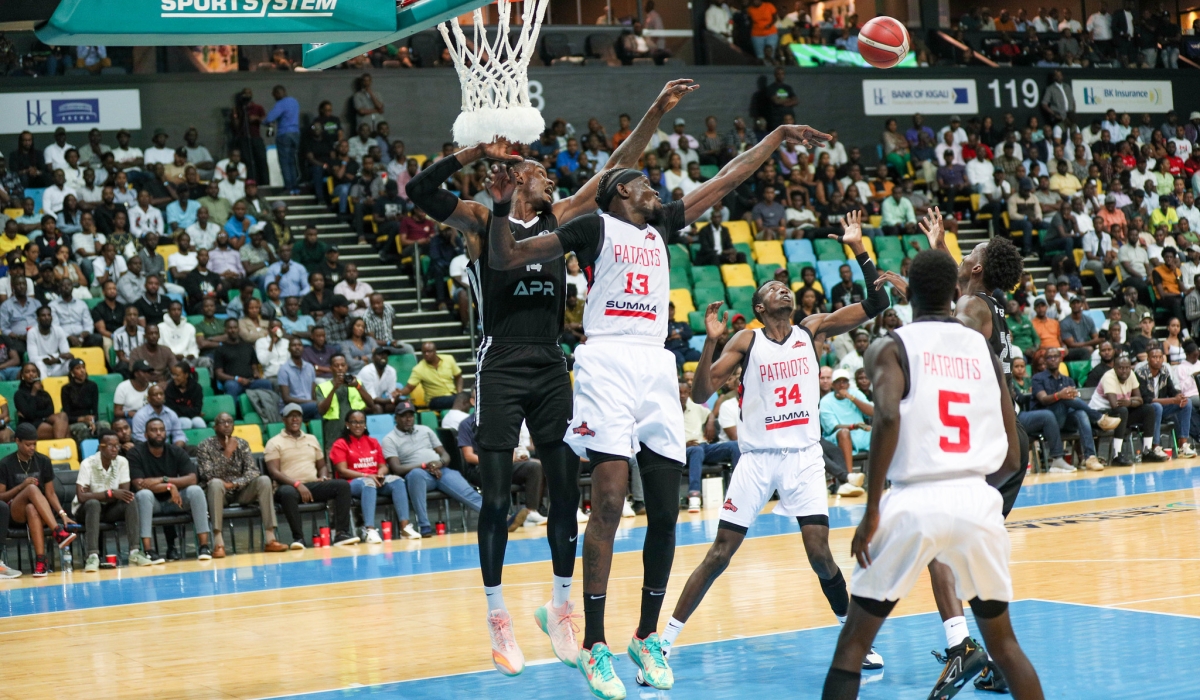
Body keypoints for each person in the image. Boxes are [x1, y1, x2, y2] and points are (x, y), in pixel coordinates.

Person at [486, 119, 831, 694]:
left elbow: (724, 180)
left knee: (667, 512)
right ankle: (595, 642)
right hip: (608, 361)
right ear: (622, 190)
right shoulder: (592, 227)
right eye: (646, 184)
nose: (657, 192)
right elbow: (506, 257)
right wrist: (500, 208)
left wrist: (776, 138)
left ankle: (645, 636)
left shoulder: (661, 226)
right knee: (612, 500)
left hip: (656, 362)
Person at [405, 81, 698, 673]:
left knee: (568, 489)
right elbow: (417, 189)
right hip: (500, 362)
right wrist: (473, 154)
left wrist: (654, 111)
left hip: (551, 362)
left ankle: (562, 606)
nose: (554, 183)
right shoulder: (481, 220)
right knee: (494, 500)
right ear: (518, 179)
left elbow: (616, 171)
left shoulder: (563, 219)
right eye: (543, 174)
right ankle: (496, 616)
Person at [663, 216, 891, 670]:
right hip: (757, 459)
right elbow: (706, 391)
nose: (782, 289)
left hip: (803, 458)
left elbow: (878, 301)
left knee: (820, 552)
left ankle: (854, 640)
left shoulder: (812, 329)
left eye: (784, 287)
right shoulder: (747, 340)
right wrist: (710, 344)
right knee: (720, 553)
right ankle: (664, 641)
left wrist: (858, 247)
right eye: (772, 289)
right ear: (760, 306)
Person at [820, 249, 1043, 700]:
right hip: (976, 499)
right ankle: (963, 645)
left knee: (852, 648)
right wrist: (976, 486)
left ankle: (956, 642)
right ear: (954, 293)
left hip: (915, 500)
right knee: (1005, 644)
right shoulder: (982, 347)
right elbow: (1013, 456)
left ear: (910, 291)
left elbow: (885, 419)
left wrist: (872, 511)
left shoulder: (891, 345)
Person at [264, 403, 359, 548]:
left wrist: (323, 477)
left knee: (342, 485)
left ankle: (341, 533)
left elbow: (321, 465)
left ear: (302, 419)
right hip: (288, 487)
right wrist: (297, 484)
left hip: (312, 485)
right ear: (284, 419)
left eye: (298, 416)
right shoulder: (274, 442)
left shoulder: (311, 439)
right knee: (287, 492)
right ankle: (299, 539)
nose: (295, 419)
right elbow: (274, 472)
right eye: (291, 416)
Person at [382, 401, 482, 536]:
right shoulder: (390, 439)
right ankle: (424, 526)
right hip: (419, 476)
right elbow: (397, 468)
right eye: (403, 416)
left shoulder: (425, 430)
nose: (408, 419)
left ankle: (500, 517)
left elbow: (445, 455)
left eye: (410, 415)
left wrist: (439, 463)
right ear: (396, 418)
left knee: (468, 492)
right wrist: (425, 465)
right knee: (415, 475)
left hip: (441, 471)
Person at [197, 412, 288, 557]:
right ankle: (218, 543)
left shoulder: (242, 444)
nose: (227, 425)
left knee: (264, 480)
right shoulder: (204, 446)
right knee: (214, 484)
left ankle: (271, 539)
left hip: (241, 491)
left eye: (230, 422)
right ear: (215, 427)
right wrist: (227, 452)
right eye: (222, 422)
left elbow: (253, 471)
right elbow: (208, 475)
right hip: (218, 494)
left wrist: (233, 484)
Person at [130, 417, 213, 562]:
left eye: (161, 430)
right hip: (152, 503)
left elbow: (192, 479)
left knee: (196, 490)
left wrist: (165, 480)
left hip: (175, 500)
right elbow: (139, 485)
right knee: (144, 494)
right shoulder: (136, 453)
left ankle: (204, 546)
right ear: (145, 435)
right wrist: (170, 486)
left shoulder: (175, 451)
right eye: (154, 430)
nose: (158, 433)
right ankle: (148, 550)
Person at [0, 423, 78, 576]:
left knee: (32, 508)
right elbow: (1, 497)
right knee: (31, 489)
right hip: (15, 511)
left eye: (34, 444)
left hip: (41, 511)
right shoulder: (5, 463)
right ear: (17, 441)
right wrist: (21, 486)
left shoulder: (43, 461)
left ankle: (41, 562)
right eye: (28, 444)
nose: (32, 448)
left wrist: (63, 514)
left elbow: (50, 494)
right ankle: (58, 532)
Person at [331, 409, 419, 542]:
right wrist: (366, 475)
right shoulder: (340, 444)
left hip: (374, 479)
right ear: (347, 424)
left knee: (397, 481)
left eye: (361, 422)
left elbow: (383, 466)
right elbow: (342, 471)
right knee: (368, 483)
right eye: (354, 422)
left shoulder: (373, 442)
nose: (358, 425)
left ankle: (404, 528)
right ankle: (369, 530)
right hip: (352, 482)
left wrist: (380, 473)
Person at [74, 431, 153, 571]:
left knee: (130, 499)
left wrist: (108, 495)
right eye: (110, 445)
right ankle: (92, 556)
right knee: (93, 503)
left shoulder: (122, 462)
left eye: (117, 445)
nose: (115, 449)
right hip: (85, 510)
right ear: (101, 446)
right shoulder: (88, 463)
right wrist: (110, 493)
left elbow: (124, 492)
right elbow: (82, 497)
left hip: (110, 509)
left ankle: (135, 552)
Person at [1089, 355, 1158, 466]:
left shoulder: (1131, 375)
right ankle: (1116, 455)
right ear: (1115, 368)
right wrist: (1131, 401)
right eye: (1121, 368)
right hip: (1099, 415)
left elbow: (1140, 400)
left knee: (1149, 409)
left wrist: (1130, 402)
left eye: (1127, 367)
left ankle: (1147, 451)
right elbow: (1114, 405)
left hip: (1120, 413)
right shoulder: (1109, 377)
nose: (1124, 371)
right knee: (1122, 411)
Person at [1136, 346, 1197, 459]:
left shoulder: (1164, 370)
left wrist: (1179, 396)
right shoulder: (1140, 373)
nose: (1158, 360)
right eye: (1154, 357)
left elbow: (1171, 390)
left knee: (1187, 402)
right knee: (1156, 406)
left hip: (1162, 408)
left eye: (1160, 357)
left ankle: (1182, 445)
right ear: (1148, 359)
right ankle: (1155, 447)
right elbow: (1146, 399)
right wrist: (1172, 400)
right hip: (1146, 411)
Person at [213, 318, 272, 400]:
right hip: (234, 381)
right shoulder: (220, 350)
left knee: (266, 383)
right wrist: (238, 379)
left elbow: (254, 366)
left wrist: (256, 373)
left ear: (239, 329)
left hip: (250, 381)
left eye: (235, 328)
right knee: (231, 386)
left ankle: (268, 411)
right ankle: (234, 412)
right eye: (230, 328)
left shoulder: (248, 346)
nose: (233, 330)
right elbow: (219, 374)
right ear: (225, 330)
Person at [399, 341, 462, 411]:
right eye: (424, 352)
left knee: (470, 398)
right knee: (459, 401)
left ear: (435, 351)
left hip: (453, 396)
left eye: (429, 352)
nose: (426, 354)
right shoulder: (419, 369)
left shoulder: (449, 359)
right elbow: (409, 388)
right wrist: (400, 393)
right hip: (435, 400)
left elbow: (458, 377)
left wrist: (459, 393)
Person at [14, 363, 69, 440]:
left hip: (43, 420)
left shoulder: (44, 393)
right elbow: (29, 415)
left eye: (34, 371)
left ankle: (59, 446)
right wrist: (33, 393)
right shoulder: (19, 394)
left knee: (63, 415)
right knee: (65, 430)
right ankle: (61, 446)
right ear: (22, 376)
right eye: (27, 372)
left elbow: (50, 411)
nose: (31, 374)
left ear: (37, 374)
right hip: (29, 425)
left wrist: (41, 417)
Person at [61, 359, 107, 444]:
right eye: (78, 368)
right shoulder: (66, 389)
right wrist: (81, 419)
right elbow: (67, 415)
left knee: (104, 425)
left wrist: (92, 421)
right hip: (75, 421)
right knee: (82, 428)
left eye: (83, 367)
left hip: (90, 420)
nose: (82, 370)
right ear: (72, 372)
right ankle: (84, 453)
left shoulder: (92, 386)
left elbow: (95, 411)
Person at [26, 304, 72, 378]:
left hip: (56, 366)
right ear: (38, 318)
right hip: (40, 366)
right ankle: (45, 387)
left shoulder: (59, 330)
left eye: (49, 315)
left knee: (70, 364)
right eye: (43, 315)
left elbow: (66, 354)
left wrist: (56, 360)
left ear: (51, 317)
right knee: (38, 363)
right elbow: (33, 358)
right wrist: (56, 356)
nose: (46, 318)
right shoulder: (32, 332)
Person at [358, 346, 401, 414]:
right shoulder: (366, 371)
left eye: (385, 355)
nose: (383, 357)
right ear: (373, 358)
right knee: (377, 408)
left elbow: (391, 394)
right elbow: (372, 399)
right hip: (360, 403)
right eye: (380, 355)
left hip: (377, 401)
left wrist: (397, 397)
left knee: (399, 406)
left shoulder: (391, 371)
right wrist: (393, 400)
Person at [165, 363, 206, 430]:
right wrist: (189, 411)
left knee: (199, 422)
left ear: (186, 375)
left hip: (193, 416)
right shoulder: (170, 388)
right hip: (176, 418)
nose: (174, 378)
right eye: (173, 375)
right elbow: (171, 410)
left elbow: (197, 409)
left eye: (177, 375)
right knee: (186, 422)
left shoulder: (196, 388)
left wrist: (179, 409)